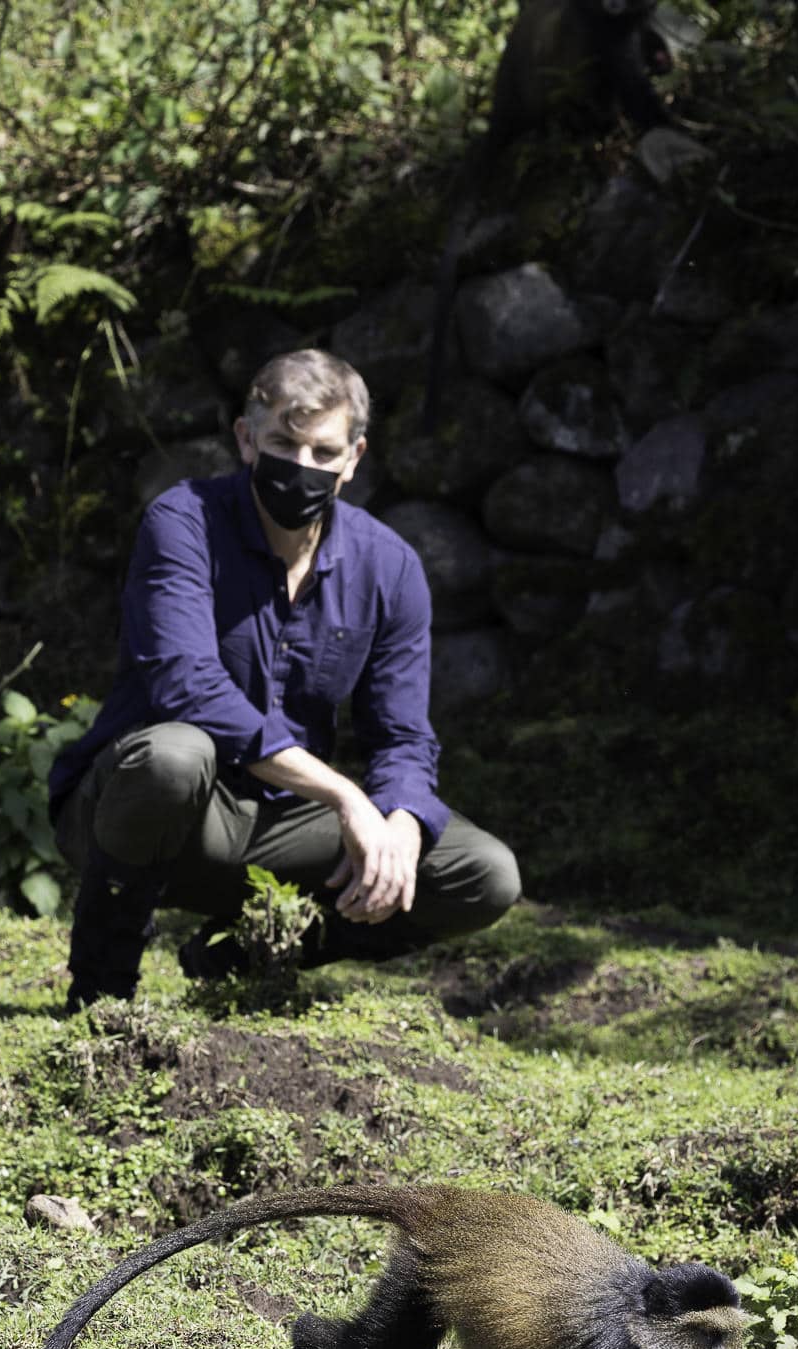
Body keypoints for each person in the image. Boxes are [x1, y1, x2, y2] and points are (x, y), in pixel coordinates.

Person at [49, 347, 520, 1011]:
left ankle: (246, 951)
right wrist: (346, 798)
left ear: (354, 458)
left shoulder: (390, 567)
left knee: (484, 875)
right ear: (246, 440)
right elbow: (187, 688)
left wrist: (402, 827)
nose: (302, 468)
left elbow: (404, 736)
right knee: (174, 754)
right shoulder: (183, 523)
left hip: (285, 826)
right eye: (283, 444)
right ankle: (102, 990)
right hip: (150, 811)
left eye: (324, 453)